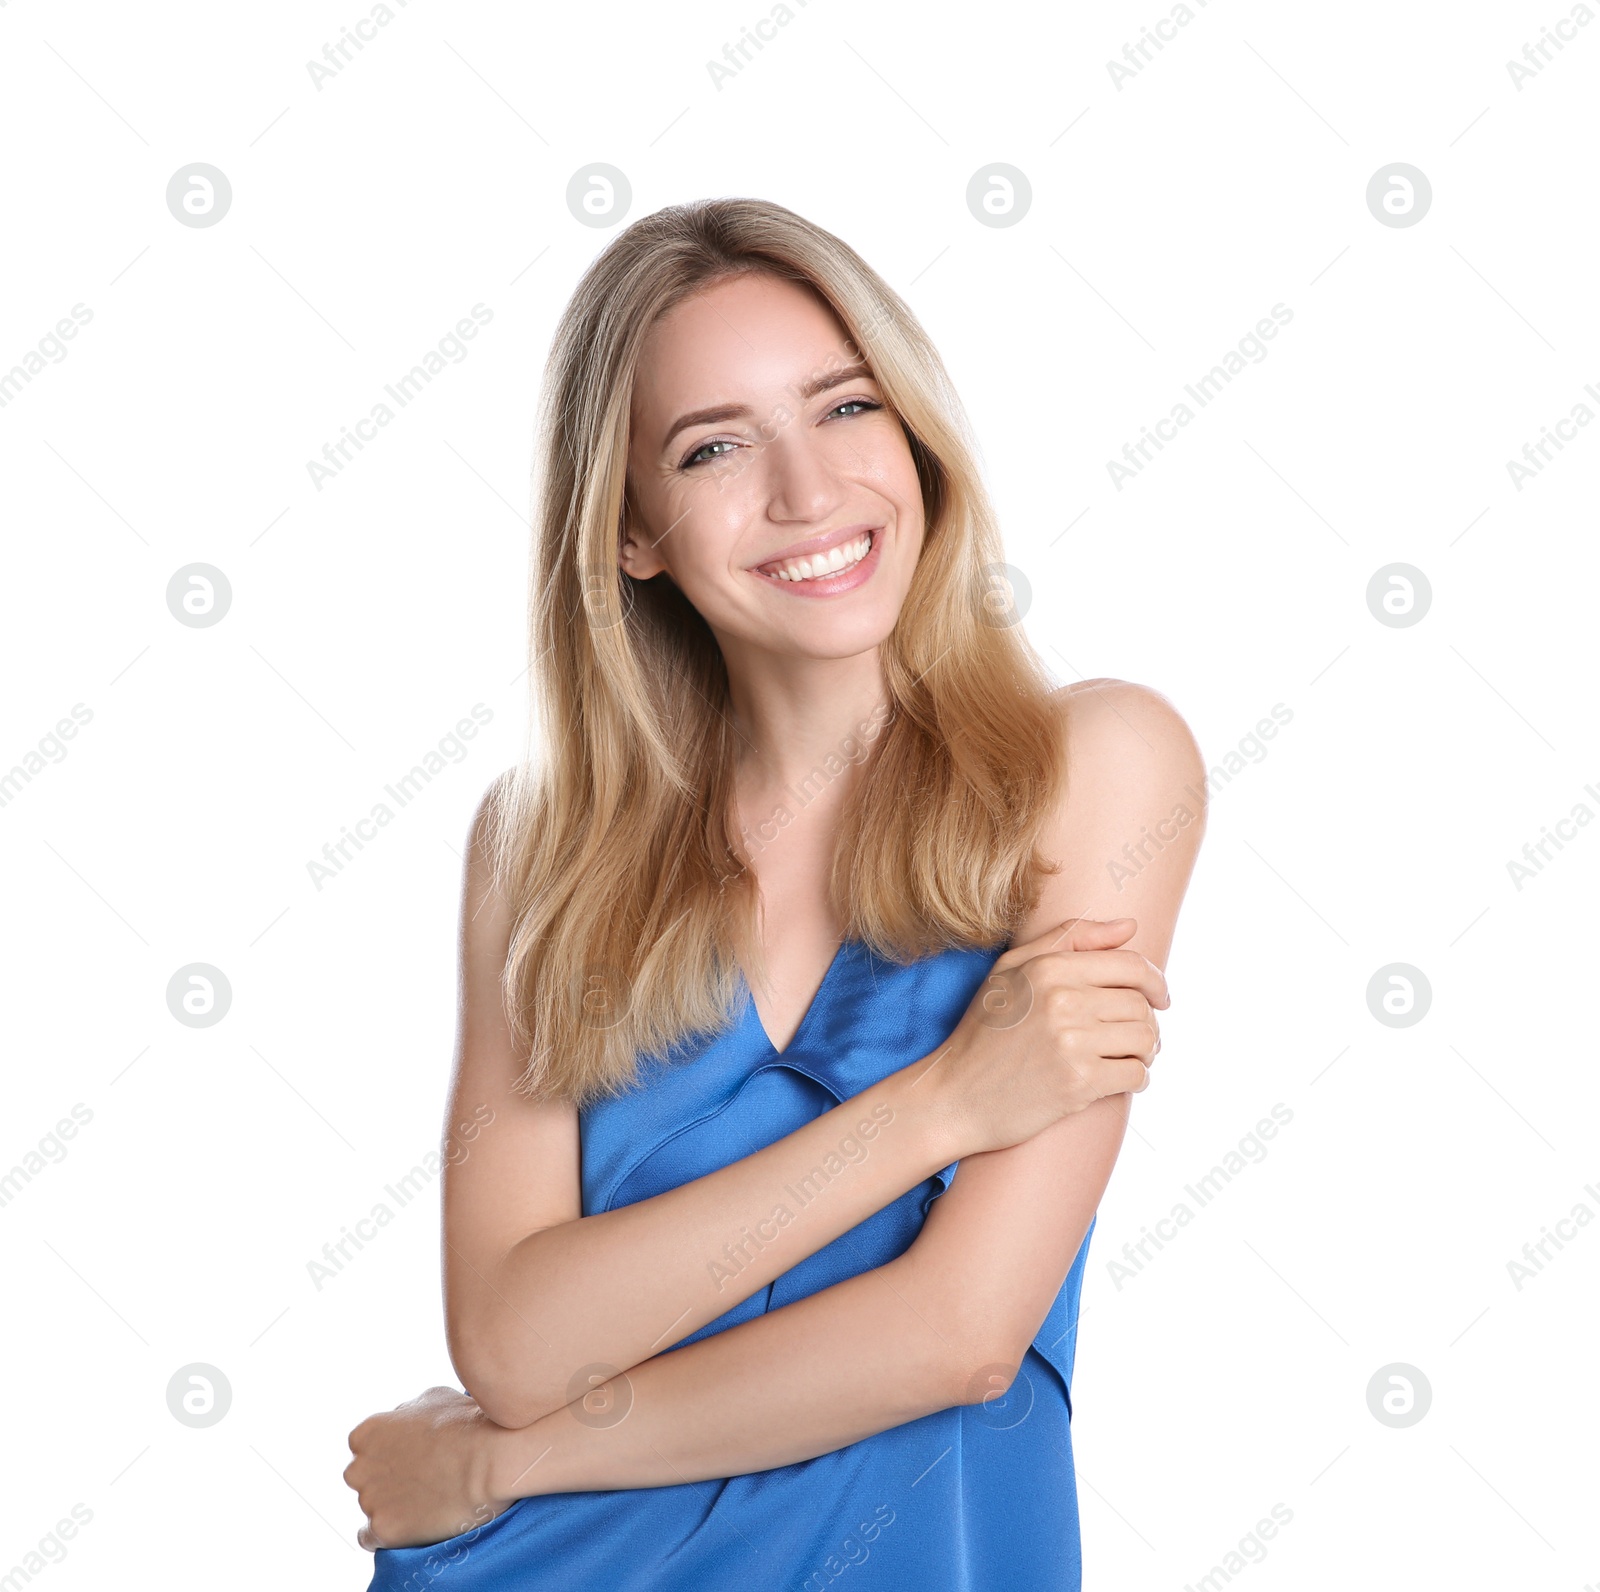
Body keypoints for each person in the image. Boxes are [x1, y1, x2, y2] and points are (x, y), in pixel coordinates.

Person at [343, 196, 1206, 1590]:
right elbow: (513, 1342)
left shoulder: (1095, 768)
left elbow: (961, 1331)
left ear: (915, 433)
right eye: (717, 447)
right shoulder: (539, 853)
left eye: (847, 408)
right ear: (630, 531)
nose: (809, 494)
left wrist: (508, 1463)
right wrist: (938, 1105)